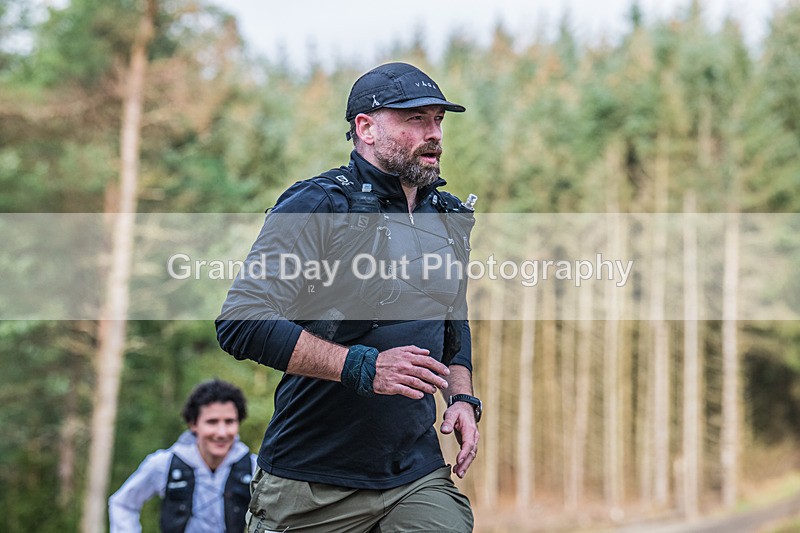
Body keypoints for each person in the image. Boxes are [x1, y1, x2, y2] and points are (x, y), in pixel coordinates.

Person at [216, 62, 482, 533]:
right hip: (312, 478)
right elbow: (242, 322)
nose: (434, 133)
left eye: (438, 119)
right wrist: (363, 367)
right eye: (415, 119)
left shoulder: (448, 215)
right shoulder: (317, 204)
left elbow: (451, 317)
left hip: (413, 474)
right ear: (366, 128)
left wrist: (461, 397)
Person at [108, 379, 256, 533]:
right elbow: (123, 504)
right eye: (212, 422)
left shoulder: (254, 468)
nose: (221, 432)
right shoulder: (164, 464)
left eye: (229, 422)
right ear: (193, 424)